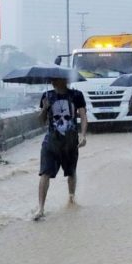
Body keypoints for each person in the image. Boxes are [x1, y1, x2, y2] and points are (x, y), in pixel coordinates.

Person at [35, 77, 88, 221]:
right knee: (45, 173)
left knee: (71, 172)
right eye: (51, 79)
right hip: (51, 142)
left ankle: (71, 198)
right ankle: (40, 208)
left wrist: (83, 135)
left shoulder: (76, 95)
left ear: (64, 80)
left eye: (56, 79)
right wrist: (45, 108)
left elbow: (83, 116)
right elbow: (40, 122)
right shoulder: (46, 96)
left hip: (70, 142)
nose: (52, 81)